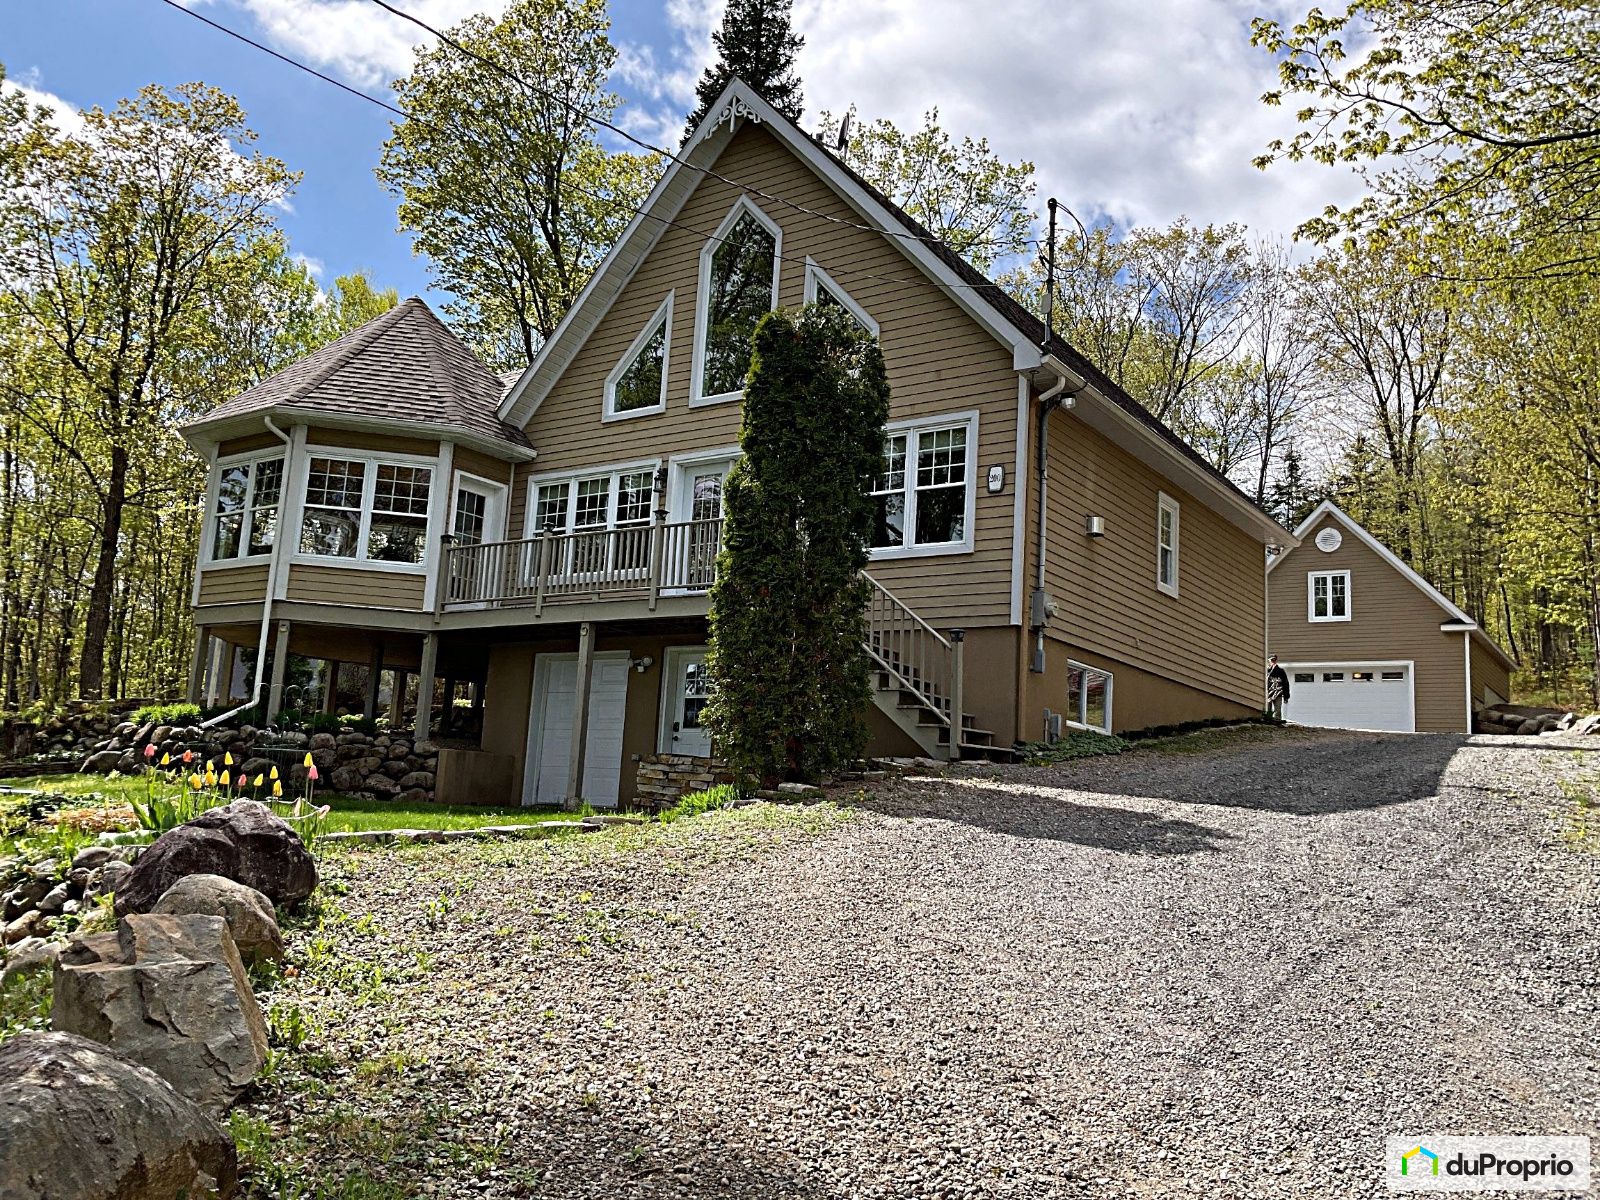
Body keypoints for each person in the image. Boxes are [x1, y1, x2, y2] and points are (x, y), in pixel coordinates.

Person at [1267, 655, 1290, 721]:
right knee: (1268, 709)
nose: (1273, 661)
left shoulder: (1281, 671)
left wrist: (1286, 696)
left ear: (1276, 661)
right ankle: (1268, 720)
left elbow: (1285, 683)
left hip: (1278, 694)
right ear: (1269, 661)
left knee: (1278, 710)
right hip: (1268, 694)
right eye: (1271, 660)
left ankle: (1277, 721)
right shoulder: (1266, 671)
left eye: (1274, 660)